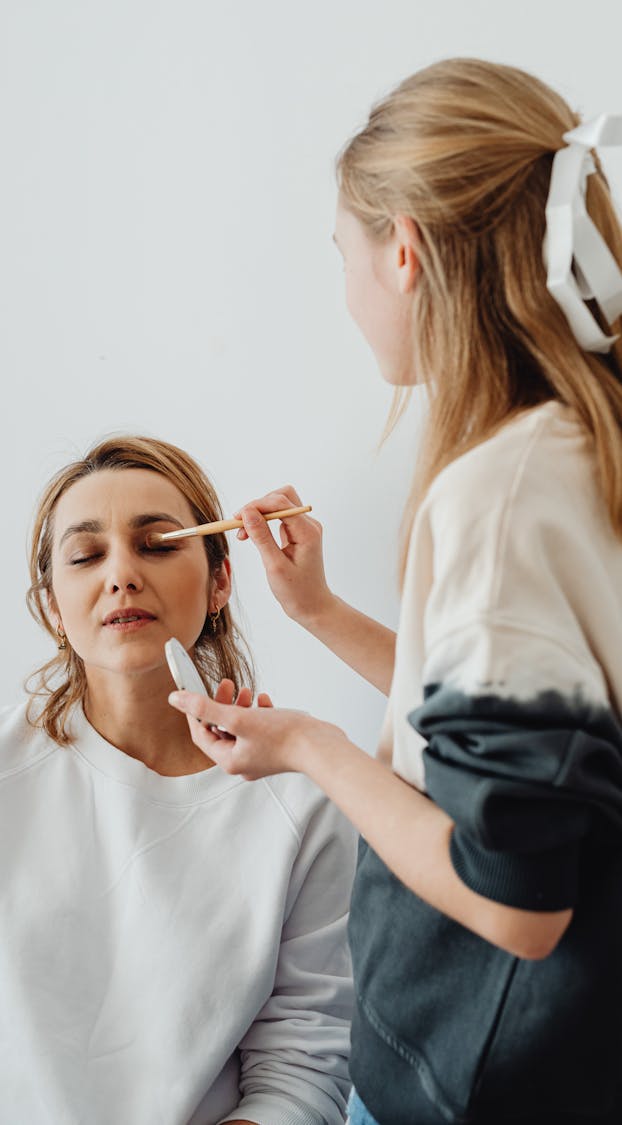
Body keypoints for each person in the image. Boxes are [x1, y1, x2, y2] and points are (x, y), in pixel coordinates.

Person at [168, 59, 622, 1125]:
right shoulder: (583, 445)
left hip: (482, 1081)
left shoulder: (499, 493)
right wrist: (321, 613)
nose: (346, 294)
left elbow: (518, 898)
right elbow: (544, 733)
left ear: (404, 252)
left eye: (345, 255)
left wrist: (307, 748)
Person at [0, 435, 356, 1125]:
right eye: (85, 554)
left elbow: (304, 1071)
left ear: (220, 580)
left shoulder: (303, 805)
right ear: (51, 606)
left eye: (159, 543)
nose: (122, 573)